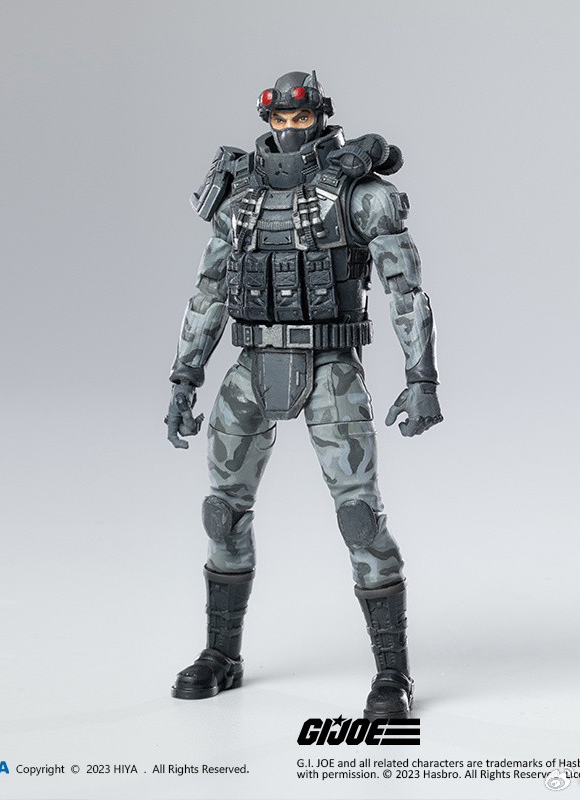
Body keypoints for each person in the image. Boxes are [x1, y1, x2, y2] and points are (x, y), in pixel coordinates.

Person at [165, 71, 442, 719]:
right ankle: (221, 654)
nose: (290, 130)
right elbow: (209, 291)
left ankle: (393, 674)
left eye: (301, 118)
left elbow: (406, 291)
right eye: (279, 120)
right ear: (267, 122)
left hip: (329, 366)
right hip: (251, 363)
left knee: (359, 519)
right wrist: (184, 377)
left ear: (320, 116)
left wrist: (421, 379)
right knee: (222, 515)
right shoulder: (239, 195)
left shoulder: (363, 195)